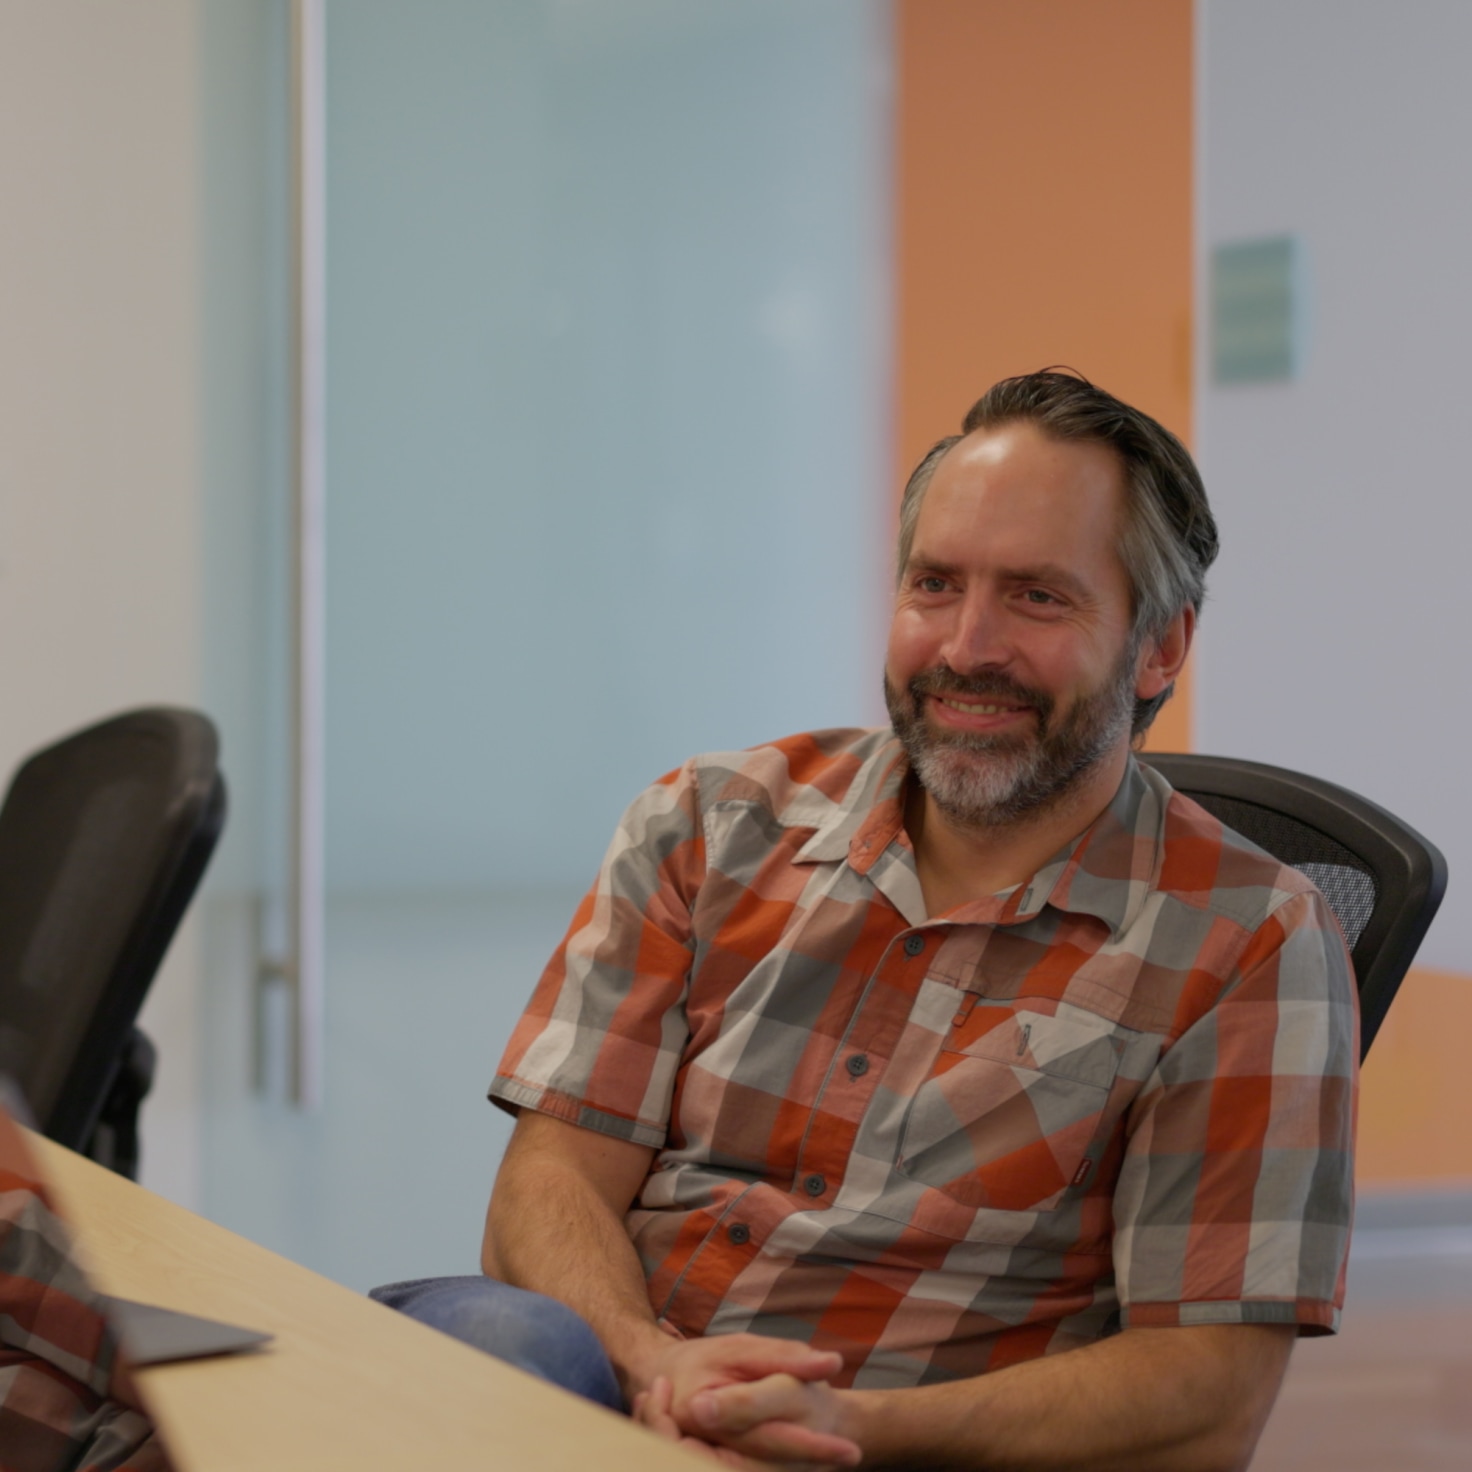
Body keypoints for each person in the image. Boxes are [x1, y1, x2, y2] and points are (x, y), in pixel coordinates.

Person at [374, 371, 1357, 1471]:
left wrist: (844, 1428)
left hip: (895, 1446)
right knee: (470, 1338)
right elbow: (546, 1182)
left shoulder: (1251, 942)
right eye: (933, 584)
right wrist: (652, 1364)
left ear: (1160, 646)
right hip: (610, 1394)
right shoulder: (710, 821)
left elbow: (1202, 1390)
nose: (965, 644)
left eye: (1035, 596)